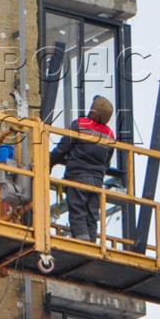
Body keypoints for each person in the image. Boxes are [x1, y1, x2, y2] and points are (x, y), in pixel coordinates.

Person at [50, 95, 116, 242]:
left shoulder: (80, 124)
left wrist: (48, 162)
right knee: (91, 216)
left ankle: (83, 243)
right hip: (97, 183)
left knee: (78, 212)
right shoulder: (110, 136)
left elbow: (62, 149)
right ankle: (92, 244)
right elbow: (106, 164)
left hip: (78, 179)